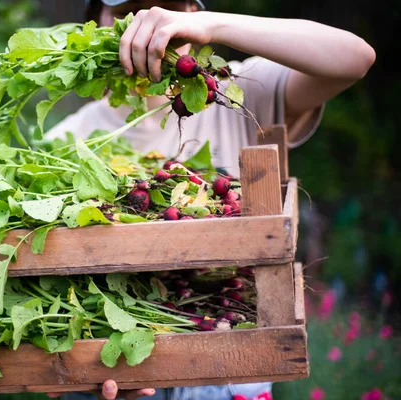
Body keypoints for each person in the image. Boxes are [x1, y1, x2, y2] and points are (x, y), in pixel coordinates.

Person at [45, 0, 376, 399]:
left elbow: (356, 58)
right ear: (95, 21)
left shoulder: (238, 91)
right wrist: (84, 369)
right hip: (123, 376)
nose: (147, 26)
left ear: (189, 9)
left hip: (232, 376)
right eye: (126, 12)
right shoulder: (64, 142)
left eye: (164, 8)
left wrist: (208, 25)